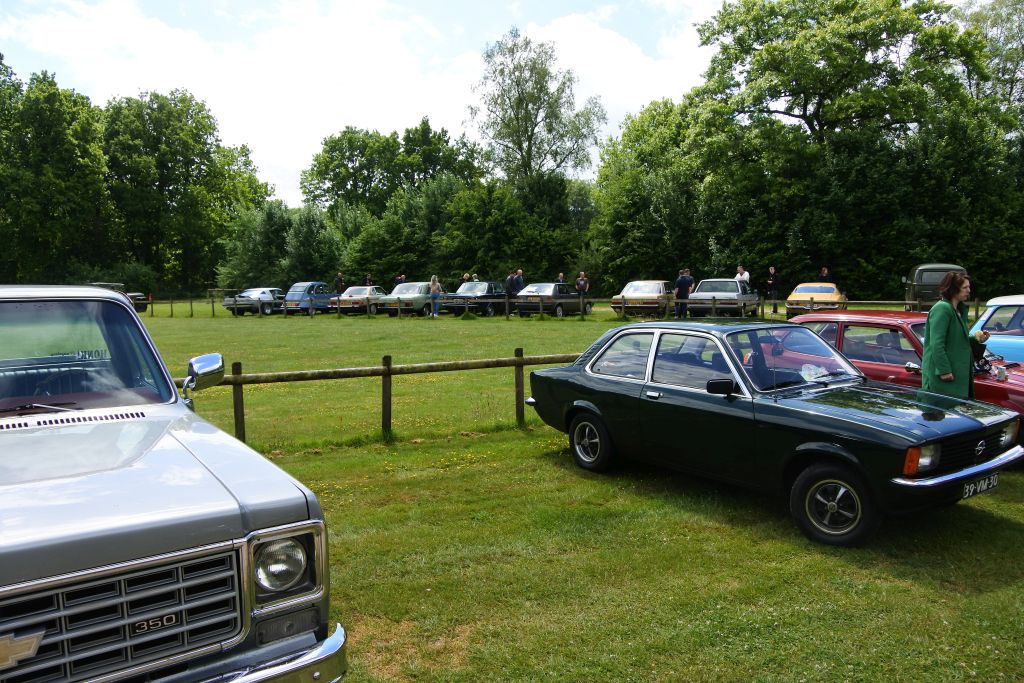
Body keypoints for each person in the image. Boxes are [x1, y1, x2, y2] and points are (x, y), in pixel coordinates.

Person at [921, 271, 989, 399]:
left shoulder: (958, 310)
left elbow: (956, 340)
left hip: (958, 374)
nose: (969, 290)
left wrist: (976, 339)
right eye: (965, 287)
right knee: (945, 416)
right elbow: (936, 344)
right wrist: (944, 371)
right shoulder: (942, 309)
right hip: (944, 377)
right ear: (953, 289)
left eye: (969, 287)